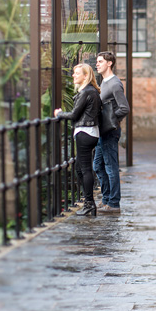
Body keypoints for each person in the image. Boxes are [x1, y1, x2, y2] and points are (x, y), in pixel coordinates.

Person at [54, 63, 102, 216]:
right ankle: (88, 202)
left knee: (85, 169)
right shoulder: (91, 91)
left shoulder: (86, 92)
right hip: (90, 132)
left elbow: (74, 115)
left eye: (77, 73)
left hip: (85, 133)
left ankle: (89, 204)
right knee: (80, 169)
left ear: (86, 76)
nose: (74, 75)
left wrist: (60, 114)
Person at [94, 51, 130, 214]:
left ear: (109, 63)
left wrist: (110, 120)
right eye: (97, 61)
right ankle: (107, 198)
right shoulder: (104, 83)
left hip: (110, 131)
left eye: (100, 61)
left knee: (110, 166)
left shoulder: (115, 83)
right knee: (98, 165)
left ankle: (114, 203)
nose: (97, 64)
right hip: (103, 131)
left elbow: (125, 108)